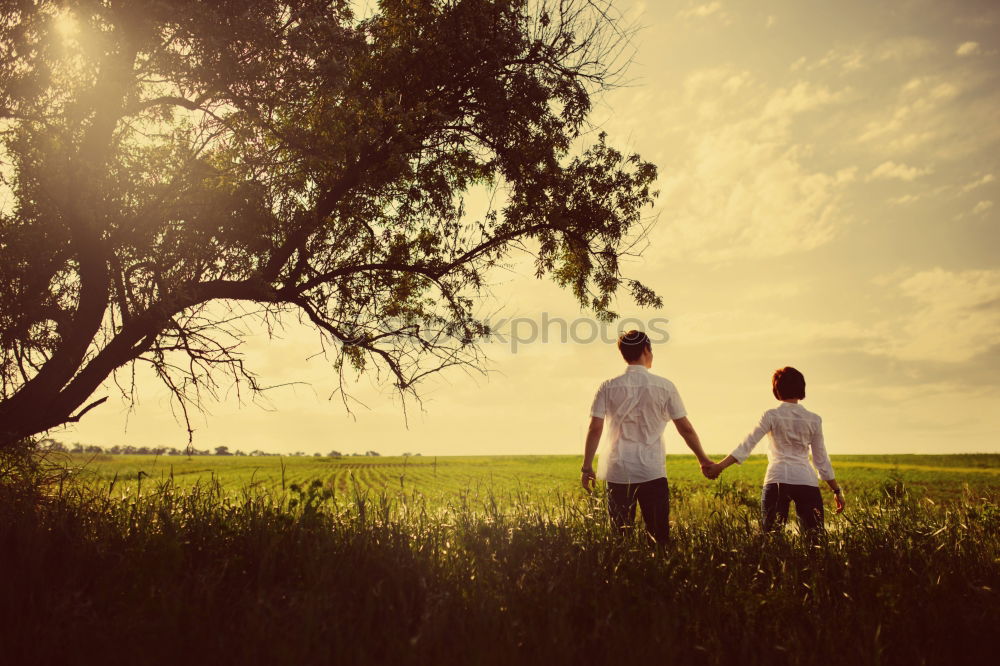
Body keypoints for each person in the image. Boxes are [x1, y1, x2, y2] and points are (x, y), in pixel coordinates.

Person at [581, 330, 714, 544]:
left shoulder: (607, 386)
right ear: (646, 350)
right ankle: (657, 575)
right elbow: (685, 429)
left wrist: (587, 467)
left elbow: (595, 428)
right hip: (652, 471)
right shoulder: (665, 386)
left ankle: (622, 576)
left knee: (620, 538)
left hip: (618, 472)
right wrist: (703, 459)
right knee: (659, 537)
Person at [703, 366, 845, 534]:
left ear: (776, 390)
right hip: (806, 480)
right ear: (802, 388)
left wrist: (720, 466)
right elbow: (821, 460)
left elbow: (747, 444)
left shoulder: (771, 415)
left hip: (777, 478)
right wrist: (836, 490)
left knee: (771, 538)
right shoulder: (814, 419)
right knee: (814, 540)